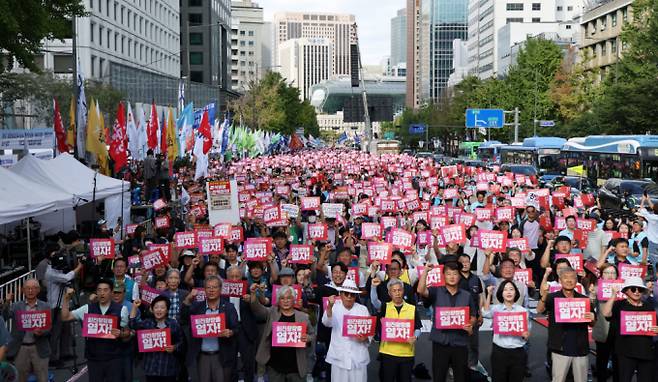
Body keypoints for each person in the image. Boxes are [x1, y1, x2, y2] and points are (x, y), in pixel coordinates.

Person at [60, 279, 131, 382]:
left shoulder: (121, 309)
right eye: (99, 290)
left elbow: (127, 333)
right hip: (94, 358)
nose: (102, 293)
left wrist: (121, 334)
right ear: (96, 292)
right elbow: (65, 317)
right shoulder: (87, 309)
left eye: (105, 290)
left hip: (114, 358)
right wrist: (66, 299)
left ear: (111, 292)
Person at [417, 262, 477, 382]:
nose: (452, 276)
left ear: (459, 275)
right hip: (441, 343)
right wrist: (425, 272)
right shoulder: (436, 291)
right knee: (439, 377)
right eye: (448, 273)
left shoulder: (467, 295)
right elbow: (421, 290)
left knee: (461, 377)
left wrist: (471, 325)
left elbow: (473, 316)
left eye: (455, 273)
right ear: (444, 275)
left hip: (460, 342)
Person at [536, 268, 595, 382]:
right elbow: (539, 309)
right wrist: (544, 295)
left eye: (572, 277)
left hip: (580, 348)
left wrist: (592, 318)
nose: (569, 280)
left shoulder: (584, 300)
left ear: (576, 280)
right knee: (558, 379)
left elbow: (593, 323)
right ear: (560, 280)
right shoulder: (552, 297)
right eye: (565, 277)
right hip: (560, 348)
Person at [251, 285, 315, 382]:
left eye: (289, 298)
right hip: (275, 367)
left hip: (296, 368)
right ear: (278, 301)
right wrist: (253, 294)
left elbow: (313, 335)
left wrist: (308, 338)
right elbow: (257, 308)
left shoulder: (303, 317)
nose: (285, 301)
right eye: (282, 298)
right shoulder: (272, 313)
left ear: (294, 299)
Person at [181, 275, 238, 382]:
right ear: (204, 290)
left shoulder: (229, 307)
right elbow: (184, 318)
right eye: (208, 287)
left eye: (215, 287)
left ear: (220, 289)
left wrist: (230, 332)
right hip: (202, 355)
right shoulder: (197, 307)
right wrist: (188, 299)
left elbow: (236, 328)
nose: (211, 290)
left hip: (222, 355)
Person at [601, 277, 658, 382]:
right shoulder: (619, 305)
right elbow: (605, 313)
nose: (636, 292)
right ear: (626, 291)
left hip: (646, 351)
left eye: (640, 289)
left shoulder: (648, 307)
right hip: (625, 352)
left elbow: (655, 326)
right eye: (633, 289)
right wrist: (613, 295)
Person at [372, 278, 421, 382]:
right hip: (388, 353)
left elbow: (417, 328)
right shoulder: (385, 307)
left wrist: (415, 336)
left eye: (399, 290)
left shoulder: (412, 308)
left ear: (403, 291)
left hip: (406, 354)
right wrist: (373, 287)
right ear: (389, 293)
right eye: (394, 291)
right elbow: (374, 301)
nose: (397, 293)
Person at [322, 279, 371, 382]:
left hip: (358, 356)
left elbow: (369, 332)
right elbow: (326, 322)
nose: (349, 297)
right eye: (346, 294)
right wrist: (329, 307)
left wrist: (365, 338)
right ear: (340, 294)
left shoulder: (363, 309)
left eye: (352, 295)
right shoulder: (334, 306)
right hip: (339, 357)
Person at [481, 280, 530, 382]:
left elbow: (527, 333)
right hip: (500, 351)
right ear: (501, 293)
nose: (508, 292)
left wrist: (525, 334)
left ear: (516, 293)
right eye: (505, 290)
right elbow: (485, 313)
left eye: (511, 289)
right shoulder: (496, 309)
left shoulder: (523, 311)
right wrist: (489, 294)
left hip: (518, 351)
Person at [3, 279, 51, 382]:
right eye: (27, 288)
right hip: (21, 349)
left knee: (43, 378)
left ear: (38, 290)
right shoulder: (16, 306)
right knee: (20, 378)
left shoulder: (45, 306)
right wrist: (7, 302)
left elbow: (49, 328)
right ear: (23, 291)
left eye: (33, 288)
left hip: (39, 348)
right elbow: (5, 316)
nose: (30, 291)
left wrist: (42, 332)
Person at [130, 296, 184, 382]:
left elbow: (182, 343)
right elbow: (133, 325)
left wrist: (174, 347)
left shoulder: (173, 324)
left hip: (168, 368)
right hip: (151, 368)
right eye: (156, 307)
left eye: (162, 307)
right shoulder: (147, 323)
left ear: (167, 310)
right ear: (152, 309)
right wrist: (134, 307)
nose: (159, 310)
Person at [44, 250, 83, 365]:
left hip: (64, 304)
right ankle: (53, 358)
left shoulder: (59, 267)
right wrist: (79, 267)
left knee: (66, 330)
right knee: (55, 332)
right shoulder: (50, 272)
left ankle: (65, 353)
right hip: (55, 306)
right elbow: (66, 278)